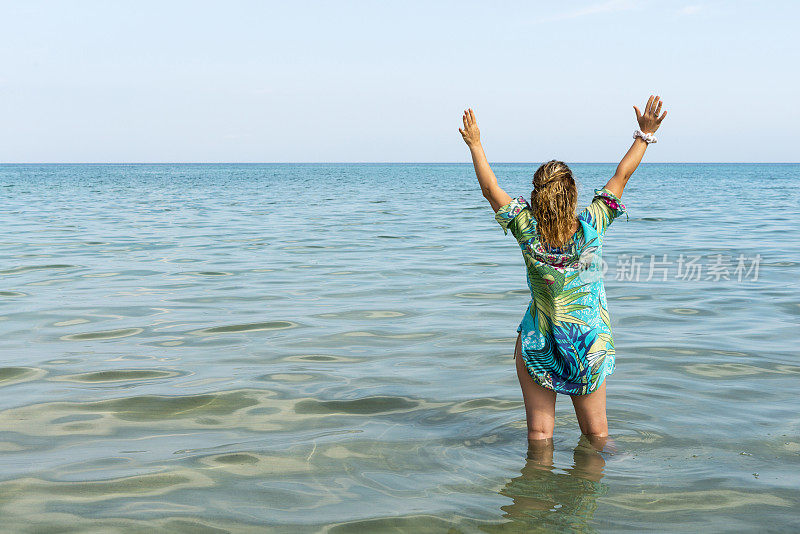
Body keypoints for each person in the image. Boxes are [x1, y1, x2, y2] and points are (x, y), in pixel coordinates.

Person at [459, 96, 667, 448]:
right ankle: (598, 495)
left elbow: (489, 189)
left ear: (537, 197)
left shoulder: (527, 230)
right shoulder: (592, 226)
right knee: (598, 437)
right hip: (586, 346)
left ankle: (534, 497)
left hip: (538, 344)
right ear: (572, 195)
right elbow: (623, 175)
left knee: (539, 438)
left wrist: (476, 144)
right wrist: (644, 135)